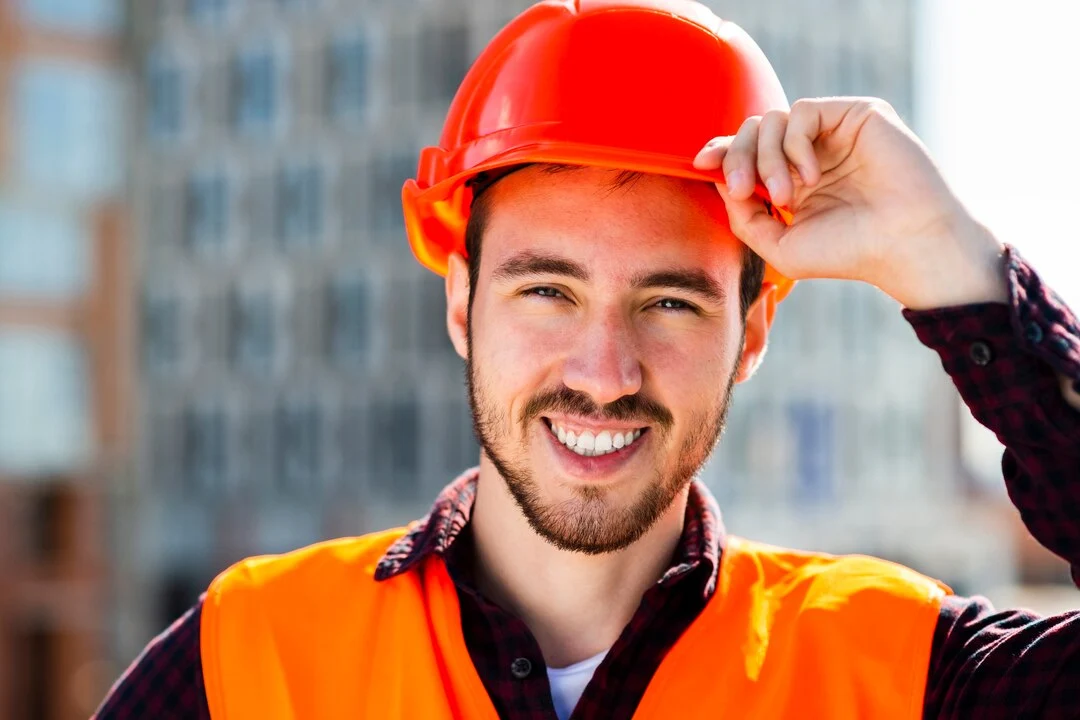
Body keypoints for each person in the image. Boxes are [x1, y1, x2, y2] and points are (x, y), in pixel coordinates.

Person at [96, 1, 1080, 718]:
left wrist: (949, 260)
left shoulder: (902, 672)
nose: (604, 372)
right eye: (548, 290)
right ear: (460, 301)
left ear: (753, 333)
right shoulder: (250, 659)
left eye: (668, 301)